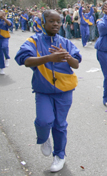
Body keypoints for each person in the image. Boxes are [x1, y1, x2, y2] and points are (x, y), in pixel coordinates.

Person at [14, 10, 81, 172]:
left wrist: (67, 57)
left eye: (58, 21)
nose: (56, 24)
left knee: (59, 125)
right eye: (51, 21)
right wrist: (48, 58)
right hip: (43, 90)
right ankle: (44, 138)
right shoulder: (34, 41)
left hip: (65, 91)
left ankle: (59, 155)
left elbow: (76, 64)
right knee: (44, 121)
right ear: (43, 22)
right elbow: (25, 60)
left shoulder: (65, 42)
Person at [0, 10, 12, 75]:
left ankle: (7, 58)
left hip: (4, 37)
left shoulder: (6, 20)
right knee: (0, 54)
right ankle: (1, 68)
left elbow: (10, 24)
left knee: (4, 47)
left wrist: (3, 18)